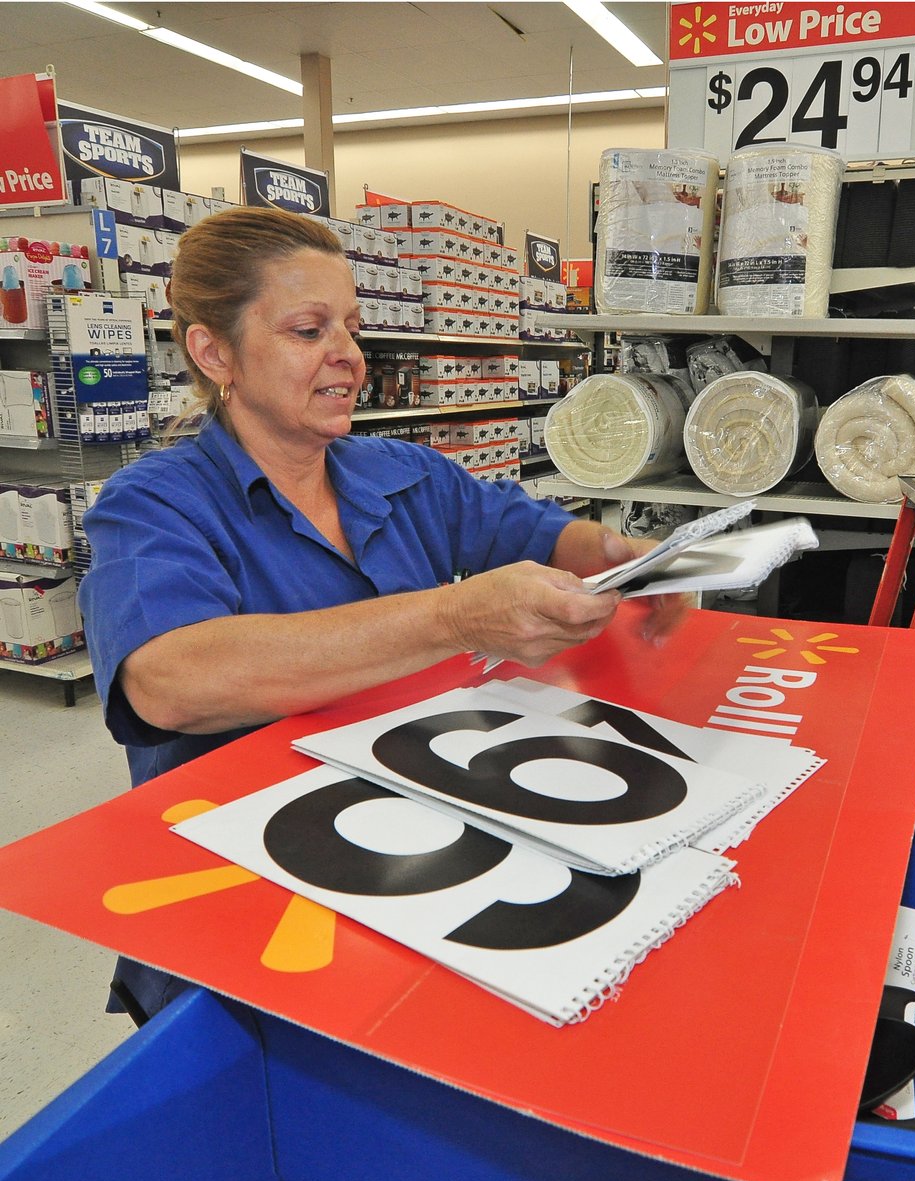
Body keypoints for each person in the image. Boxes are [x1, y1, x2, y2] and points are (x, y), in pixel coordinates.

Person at [79, 205, 688, 1021]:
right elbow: (170, 680)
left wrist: (617, 555)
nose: (348, 358)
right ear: (214, 351)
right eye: (308, 330)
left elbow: (533, 529)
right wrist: (455, 619)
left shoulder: (403, 474)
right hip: (251, 902)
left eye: (353, 328)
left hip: (419, 850)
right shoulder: (153, 503)